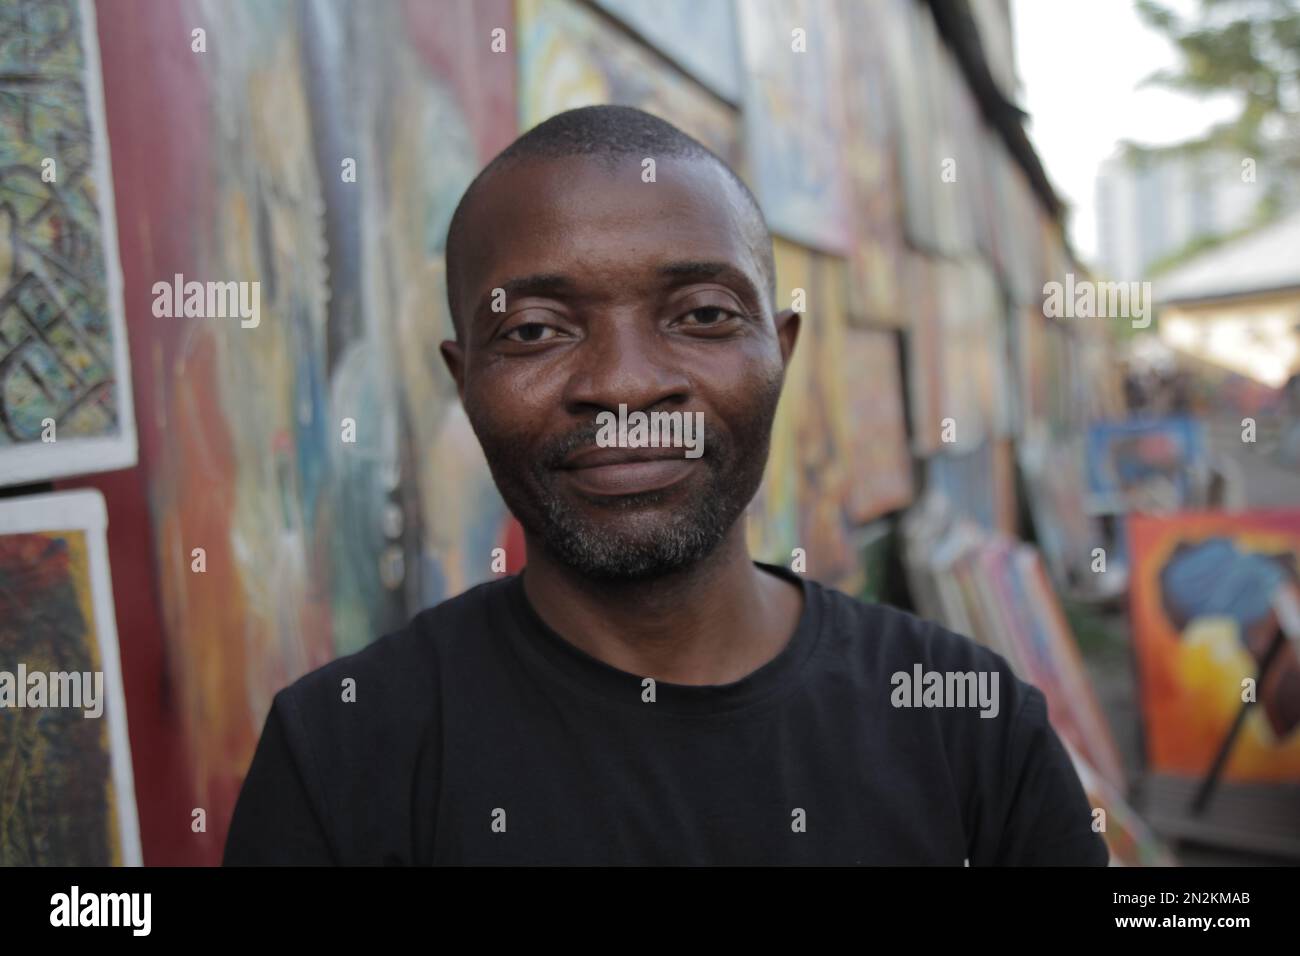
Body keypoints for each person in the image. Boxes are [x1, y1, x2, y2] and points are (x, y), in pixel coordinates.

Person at [223, 105, 1107, 866]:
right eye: (534, 331)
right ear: (465, 380)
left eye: (702, 316)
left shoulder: (973, 726)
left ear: (781, 353)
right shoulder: (341, 752)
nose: (625, 384)